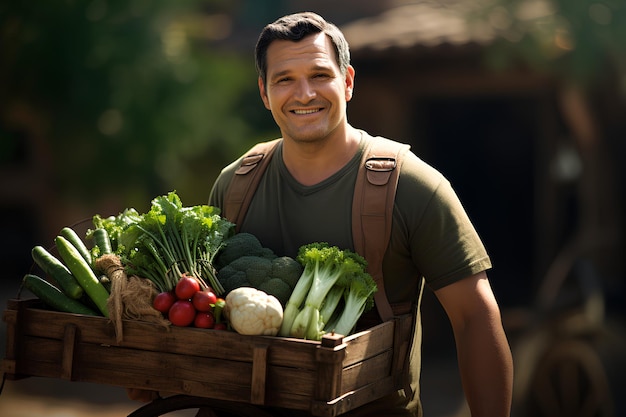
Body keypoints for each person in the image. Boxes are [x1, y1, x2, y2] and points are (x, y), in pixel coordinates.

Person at [206, 11, 513, 417]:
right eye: (285, 79)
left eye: (319, 75)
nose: (304, 94)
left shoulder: (412, 186)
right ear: (264, 93)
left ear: (347, 81)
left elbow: (475, 316)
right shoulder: (235, 185)